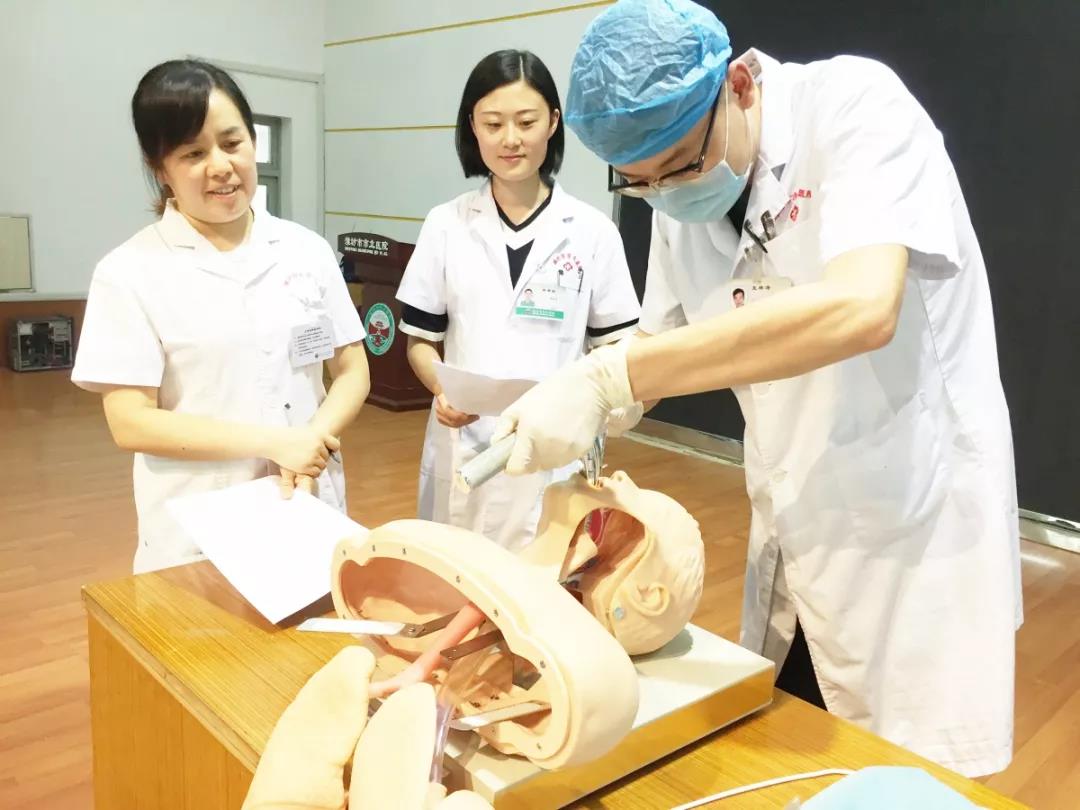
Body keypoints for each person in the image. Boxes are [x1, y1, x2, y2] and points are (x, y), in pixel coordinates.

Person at [492, 0, 1021, 778]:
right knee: (799, 753)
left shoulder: (855, 107)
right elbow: (661, 340)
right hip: (795, 511)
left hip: (909, 523)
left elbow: (862, 307)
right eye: (638, 183)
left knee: (906, 779)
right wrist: (589, 399)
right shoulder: (670, 195)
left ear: (738, 85)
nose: (666, 193)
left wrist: (617, 377)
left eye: (680, 166)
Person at [72, 60, 369, 573]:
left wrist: (310, 439)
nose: (221, 166)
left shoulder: (306, 251)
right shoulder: (129, 272)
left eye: (233, 143)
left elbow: (351, 369)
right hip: (196, 526)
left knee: (318, 620)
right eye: (193, 153)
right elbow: (130, 421)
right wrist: (276, 442)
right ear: (160, 167)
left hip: (307, 502)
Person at [395, 49, 640, 553]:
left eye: (526, 122)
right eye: (493, 123)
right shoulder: (445, 224)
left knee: (540, 581)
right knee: (453, 575)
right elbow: (421, 341)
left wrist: (596, 411)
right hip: (463, 445)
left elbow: (617, 349)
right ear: (473, 127)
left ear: (553, 122)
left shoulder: (592, 231)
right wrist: (440, 389)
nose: (511, 139)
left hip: (553, 452)